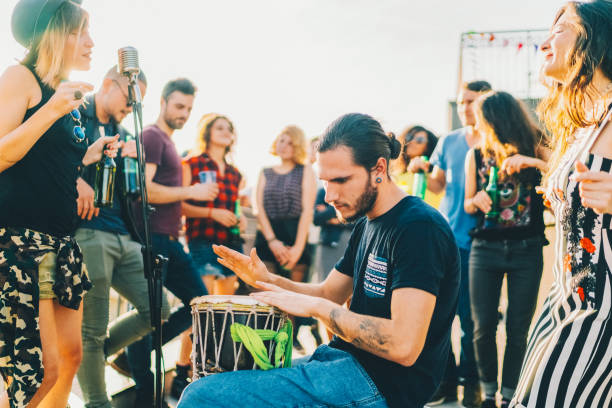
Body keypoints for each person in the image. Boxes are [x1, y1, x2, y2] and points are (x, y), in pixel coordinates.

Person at [179, 113, 460, 408]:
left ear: (378, 168)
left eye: (340, 180)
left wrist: (319, 310)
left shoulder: (418, 228)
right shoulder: (368, 223)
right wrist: (265, 279)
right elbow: (329, 293)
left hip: (381, 386)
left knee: (202, 397)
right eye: (326, 181)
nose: (329, 195)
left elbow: (404, 345)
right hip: (342, 361)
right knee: (214, 381)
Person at [0, 1, 121, 406]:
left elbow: (46, 161)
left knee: (70, 357)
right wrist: (51, 110)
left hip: (61, 242)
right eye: (80, 31)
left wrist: (89, 154)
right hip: (20, 244)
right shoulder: (21, 78)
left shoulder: (70, 99)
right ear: (54, 34)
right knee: (38, 372)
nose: (91, 42)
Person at [511, 2, 612, 407]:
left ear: (597, 41)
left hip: (600, 311)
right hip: (564, 301)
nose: (545, 43)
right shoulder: (586, 123)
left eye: (563, 29)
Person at [73, 66, 172, 408]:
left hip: (125, 236)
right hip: (88, 232)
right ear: (106, 85)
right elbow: (50, 162)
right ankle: (96, 402)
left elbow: (135, 189)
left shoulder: (126, 134)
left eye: (137, 103)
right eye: (130, 99)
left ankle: (87, 357)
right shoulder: (73, 114)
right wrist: (76, 178)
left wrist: (135, 160)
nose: (132, 107)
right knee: (92, 328)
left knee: (158, 309)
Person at [122, 78, 213, 405]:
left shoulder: (167, 141)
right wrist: (192, 191)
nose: (184, 113)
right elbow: (144, 190)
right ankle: (145, 391)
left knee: (180, 310)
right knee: (194, 304)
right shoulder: (152, 136)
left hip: (167, 238)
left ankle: (136, 355)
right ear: (162, 102)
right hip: (154, 238)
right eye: (179, 106)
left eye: (189, 108)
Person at [409, 80, 491, 407]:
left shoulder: (495, 139)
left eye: (471, 101)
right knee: (440, 315)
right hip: (447, 239)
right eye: (460, 102)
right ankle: (446, 382)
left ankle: (472, 385)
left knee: (473, 320)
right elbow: (437, 185)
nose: (465, 108)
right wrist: (421, 168)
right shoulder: (449, 140)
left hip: (483, 242)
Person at [464, 91, 547, 408]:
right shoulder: (476, 154)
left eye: (482, 118)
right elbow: (468, 202)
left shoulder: (535, 142)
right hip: (484, 250)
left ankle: (511, 395)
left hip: (527, 249)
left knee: (517, 329)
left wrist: (535, 161)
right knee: (482, 327)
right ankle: (488, 394)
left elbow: (566, 171)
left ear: (496, 118)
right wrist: (478, 200)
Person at [182, 113, 246, 296]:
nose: (226, 132)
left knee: (224, 307)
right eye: (219, 127)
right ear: (207, 132)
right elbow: (179, 207)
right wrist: (212, 213)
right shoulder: (191, 164)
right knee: (203, 303)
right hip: (202, 240)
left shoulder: (235, 173)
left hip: (230, 243)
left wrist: (240, 221)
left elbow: (235, 207)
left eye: (229, 129)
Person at [254, 125, 317, 283]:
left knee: (293, 295)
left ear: (297, 146)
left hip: (295, 235)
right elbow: (258, 208)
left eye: (290, 143)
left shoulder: (305, 170)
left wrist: (298, 248)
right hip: (267, 236)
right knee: (263, 292)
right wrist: (272, 241)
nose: (284, 145)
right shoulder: (265, 172)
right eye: (281, 140)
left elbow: (307, 211)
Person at [393, 125, 443, 207]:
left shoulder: (434, 174)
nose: (412, 142)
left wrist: (422, 170)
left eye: (420, 140)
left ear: (428, 146)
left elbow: (438, 189)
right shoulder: (396, 174)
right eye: (409, 137)